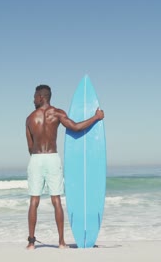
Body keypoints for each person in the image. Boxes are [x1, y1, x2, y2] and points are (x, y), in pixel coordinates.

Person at [25, 84, 104, 250]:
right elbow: (75, 127)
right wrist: (96, 117)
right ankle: (61, 242)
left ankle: (31, 243)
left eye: (34, 96)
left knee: (34, 200)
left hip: (36, 159)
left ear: (41, 97)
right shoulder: (57, 113)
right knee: (56, 200)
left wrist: (38, 154)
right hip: (52, 157)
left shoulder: (30, 118)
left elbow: (30, 147)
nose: (33, 99)